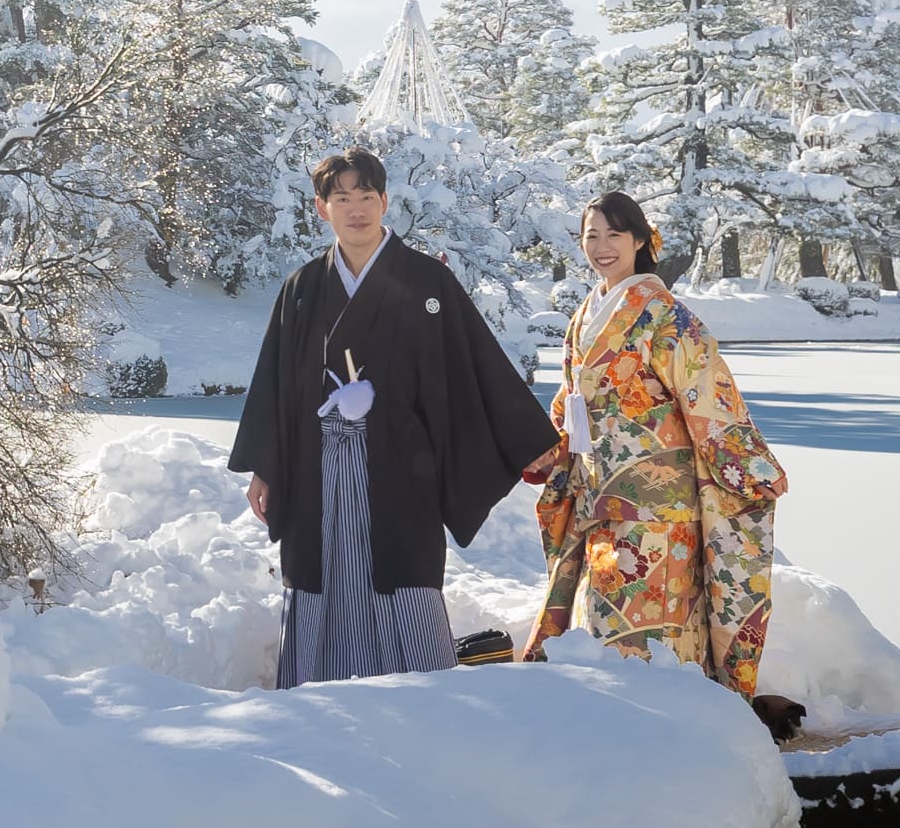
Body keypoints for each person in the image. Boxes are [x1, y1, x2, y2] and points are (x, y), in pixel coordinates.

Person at [231, 147, 556, 684]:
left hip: (403, 464)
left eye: (365, 197)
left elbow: (473, 362)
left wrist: (526, 434)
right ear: (321, 208)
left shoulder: (428, 283)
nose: (355, 209)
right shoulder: (303, 289)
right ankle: (317, 687)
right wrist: (265, 466)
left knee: (403, 569)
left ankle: (421, 690)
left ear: (385, 202)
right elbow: (276, 384)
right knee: (321, 571)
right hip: (318, 465)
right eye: (341, 198)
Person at [524, 190, 790, 697]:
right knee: (606, 613)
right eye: (591, 237)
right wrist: (550, 444)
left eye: (614, 235)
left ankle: (673, 728)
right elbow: (570, 401)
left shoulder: (666, 314)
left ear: (641, 240)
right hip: (599, 492)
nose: (602, 247)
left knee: (659, 617)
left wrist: (743, 465)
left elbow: (708, 393)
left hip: (658, 502)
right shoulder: (587, 314)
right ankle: (618, 725)